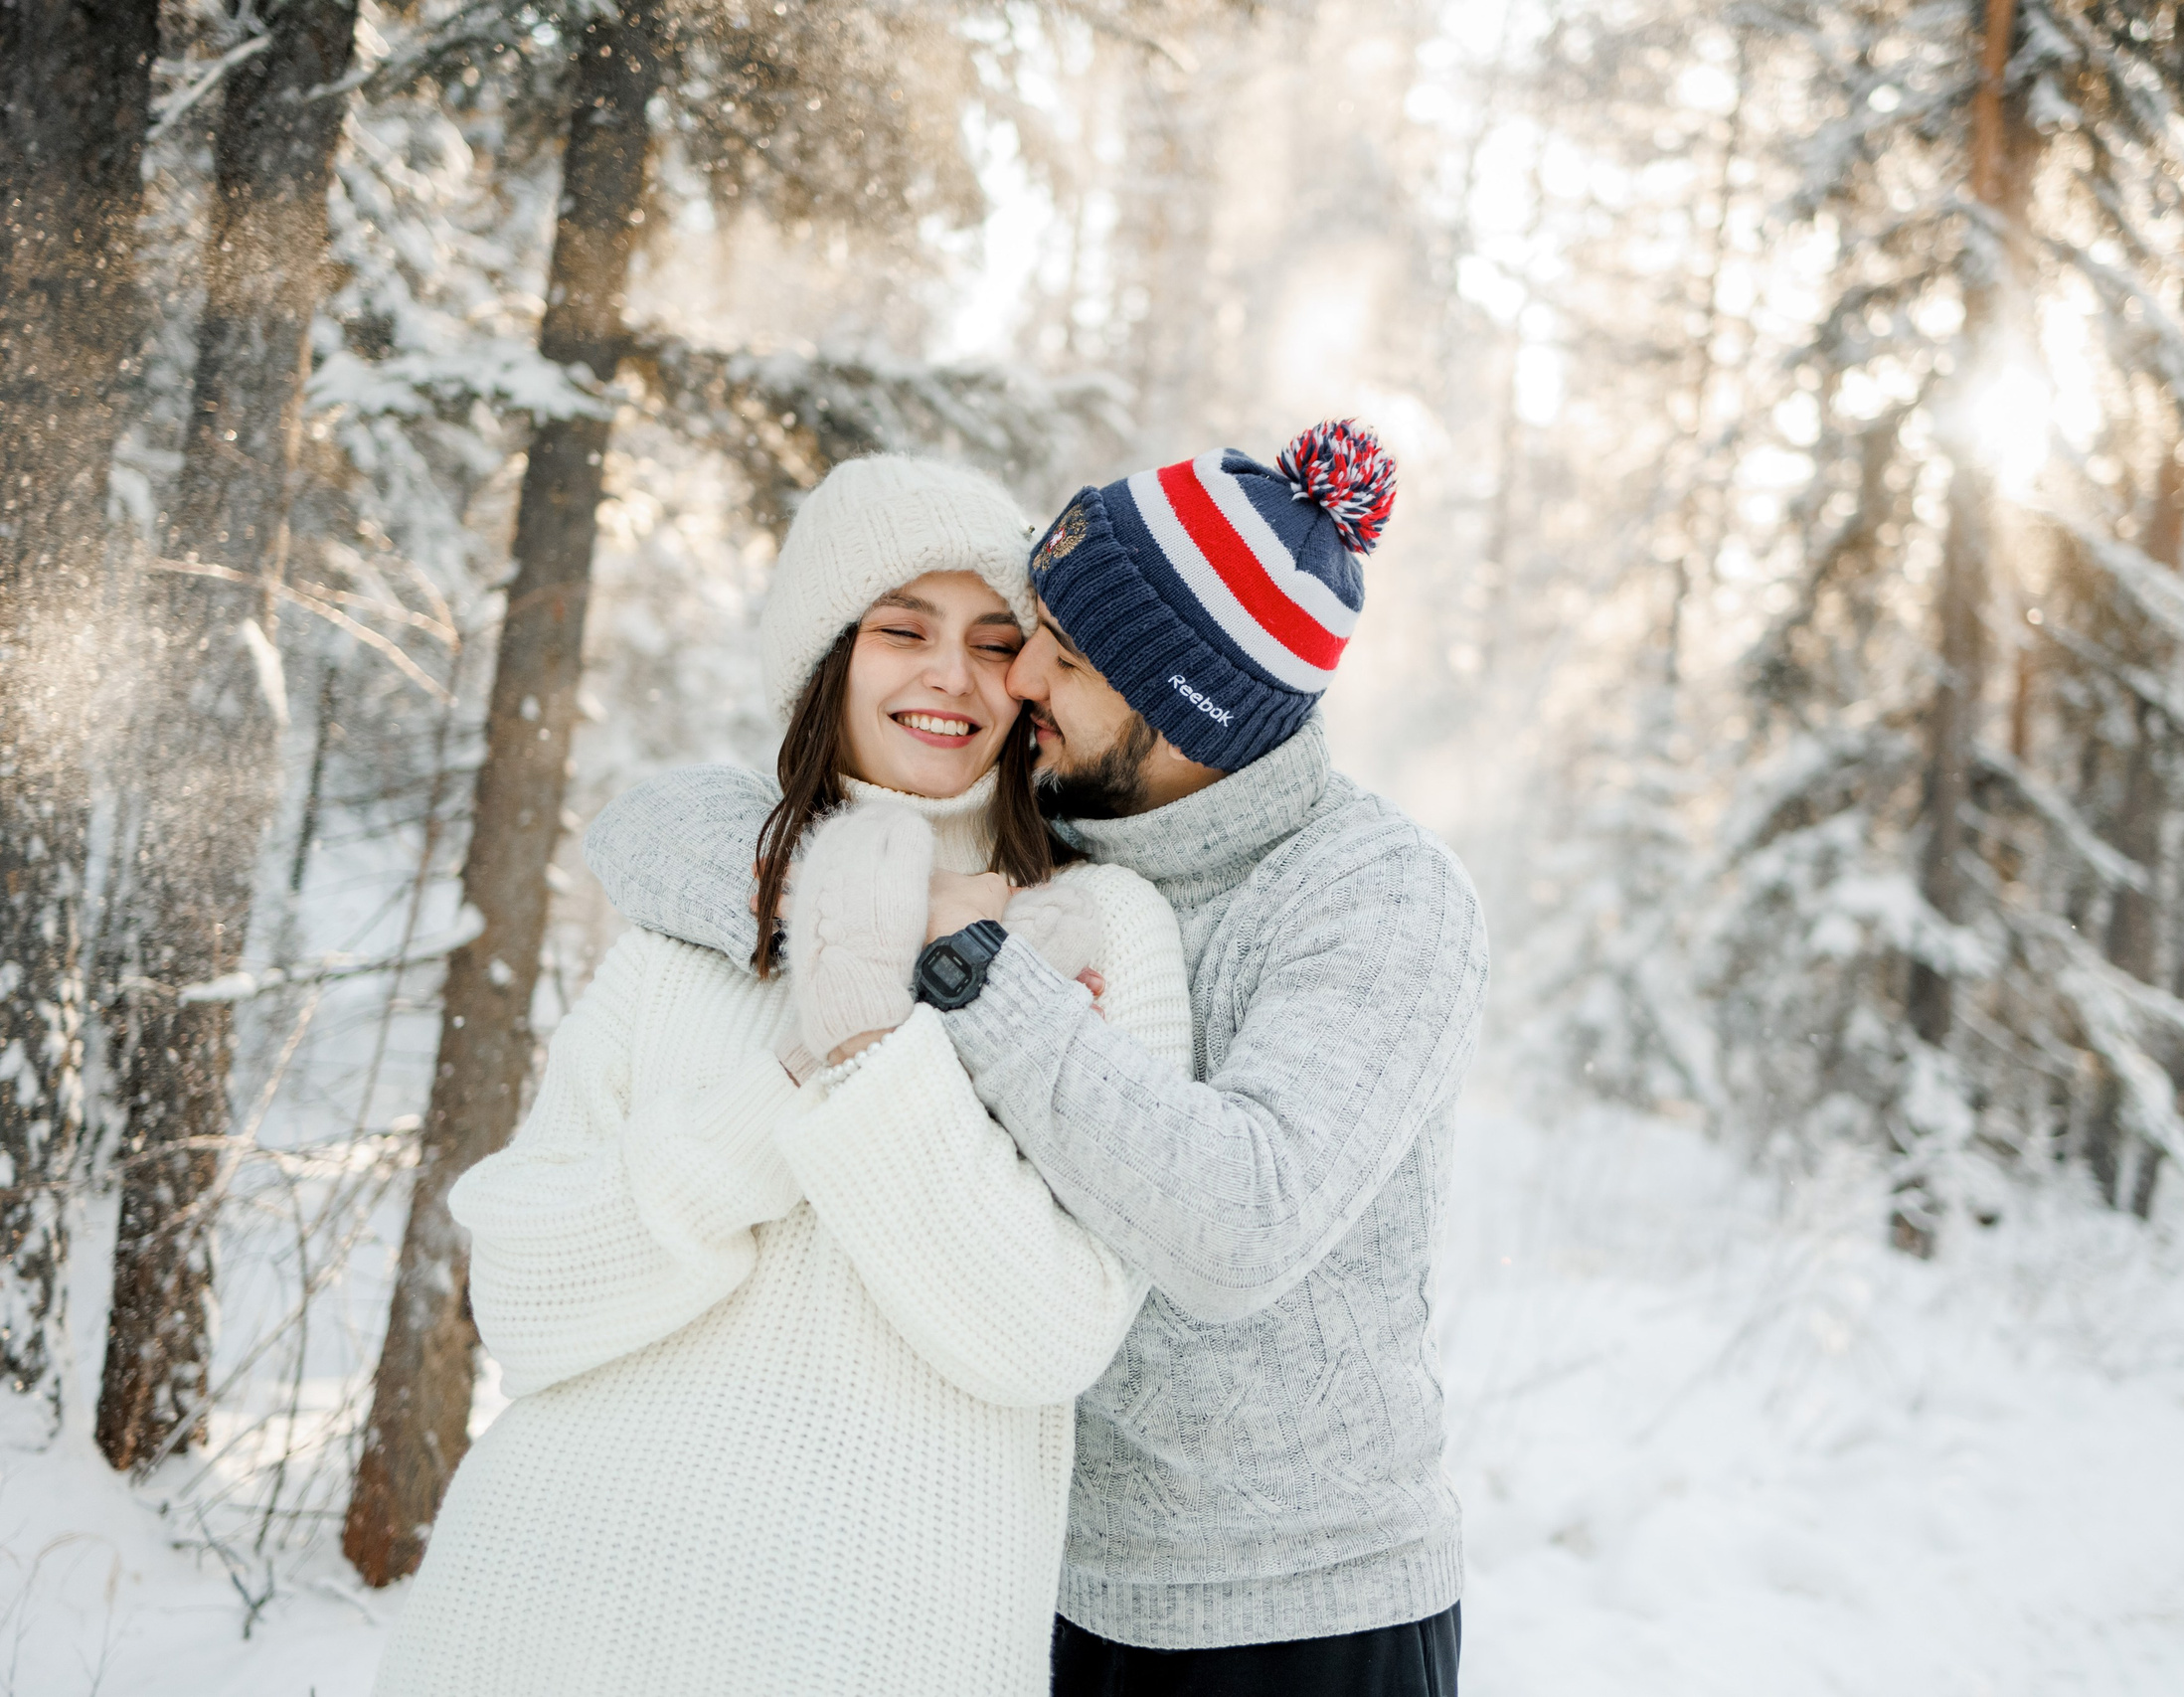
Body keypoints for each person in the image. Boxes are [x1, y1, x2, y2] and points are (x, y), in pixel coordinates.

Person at [588, 422, 1490, 1697]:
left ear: (1177, 704)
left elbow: (1242, 1220)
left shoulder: (1377, 900)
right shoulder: (1075, 814)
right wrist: (849, 904)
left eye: (1054, 659)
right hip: (1032, 1586)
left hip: (1294, 1614)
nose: (1012, 688)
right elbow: (660, 826)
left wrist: (974, 969)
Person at [372, 455, 1193, 1697]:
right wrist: (790, 1081)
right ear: (826, 662)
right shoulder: (698, 921)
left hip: (868, 1643)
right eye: (898, 630)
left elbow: (1048, 1335)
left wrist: (876, 1048)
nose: (948, 676)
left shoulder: (1093, 935)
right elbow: (529, 1299)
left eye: (991, 640)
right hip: (538, 1618)